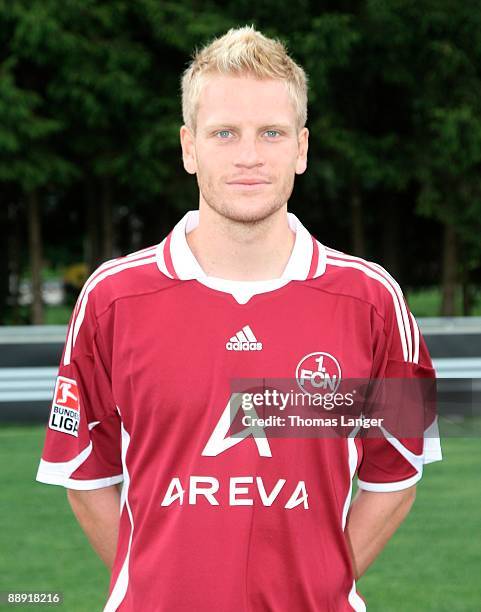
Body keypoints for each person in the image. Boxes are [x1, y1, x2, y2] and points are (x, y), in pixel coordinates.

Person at [36, 25, 442, 611]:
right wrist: (159, 586)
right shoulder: (112, 297)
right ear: (188, 146)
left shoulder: (374, 300)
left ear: (301, 148)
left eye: (270, 133)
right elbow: (85, 472)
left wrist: (318, 585)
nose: (249, 155)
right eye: (224, 133)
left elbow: (396, 473)